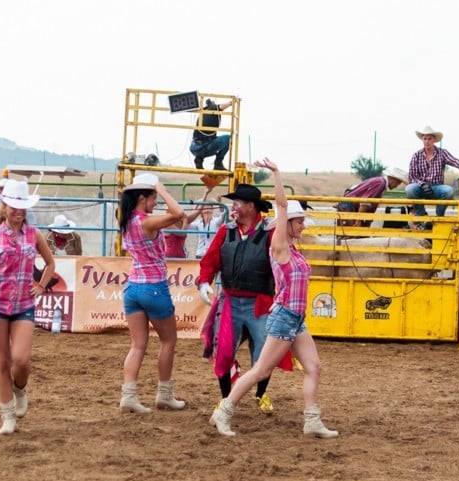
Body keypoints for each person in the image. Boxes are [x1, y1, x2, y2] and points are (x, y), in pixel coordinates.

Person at [210, 158, 338, 439]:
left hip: (295, 318)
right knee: (260, 370)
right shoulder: (279, 247)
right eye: (299, 221)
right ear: (287, 224)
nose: (303, 226)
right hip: (283, 317)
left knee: (314, 367)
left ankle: (312, 420)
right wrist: (277, 174)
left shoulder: (293, 251)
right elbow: (281, 206)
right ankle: (224, 410)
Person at [0, 179, 55, 435]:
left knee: (21, 359)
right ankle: (7, 415)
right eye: (14, 206)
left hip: (23, 304)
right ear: (4, 206)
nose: (18, 211)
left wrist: (41, 285)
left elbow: (50, 264)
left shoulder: (34, 234)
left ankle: (20, 389)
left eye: (22, 206)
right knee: (2, 361)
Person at [197, 183, 280, 413]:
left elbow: (282, 263)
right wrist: (204, 281)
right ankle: (226, 398)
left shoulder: (271, 232)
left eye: (237, 203)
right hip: (230, 301)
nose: (232, 207)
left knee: (264, 353)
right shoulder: (226, 231)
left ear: (251, 207)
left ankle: (261, 394)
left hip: (260, 304)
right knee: (223, 352)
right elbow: (210, 261)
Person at [118, 173, 187, 414]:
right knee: (168, 341)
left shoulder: (127, 221)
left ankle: (129, 394)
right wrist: (164, 190)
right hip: (154, 286)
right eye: (153, 197)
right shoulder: (145, 222)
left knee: (137, 345)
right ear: (143, 198)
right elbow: (179, 214)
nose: (156, 201)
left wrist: (157, 191)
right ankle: (164, 394)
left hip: (133, 286)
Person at [404, 126, 459, 221]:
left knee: (449, 191)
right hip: (421, 187)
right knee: (410, 189)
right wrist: (422, 184)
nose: (427, 141)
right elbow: (412, 177)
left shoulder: (442, 153)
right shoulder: (416, 155)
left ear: (434, 140)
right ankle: (421, 214)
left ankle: (439, 217)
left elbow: (453, 160)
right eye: (425, 139)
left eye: (429, 139)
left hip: (437, 187)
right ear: (422, 140)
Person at [336, 167, 409, 227]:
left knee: (352, 236)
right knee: (349, 235)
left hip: (350, 205)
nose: (397, 186)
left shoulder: (380, 182)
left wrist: (368, 221)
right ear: (392, 179)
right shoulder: (380, 184)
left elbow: (373, 203)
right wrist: (359, 220)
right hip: (349, 205)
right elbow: (365, 201)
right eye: (398, 183)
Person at [190, 98, 233, 170]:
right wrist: (230, 103)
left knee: (211, 140)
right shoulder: (211, 109)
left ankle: (199, 159)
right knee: (229, 138)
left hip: (194, 148)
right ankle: (218, 163)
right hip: (206, 147)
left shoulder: (202, 113)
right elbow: (220, 107)